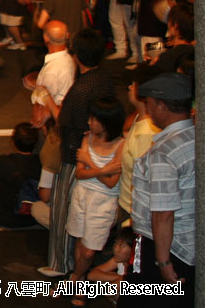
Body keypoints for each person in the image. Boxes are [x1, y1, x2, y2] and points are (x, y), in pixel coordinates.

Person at [36, 29, 114, 278]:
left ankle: (59, 263)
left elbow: (63, 120)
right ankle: (78, 265)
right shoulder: (105, 80)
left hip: (73, 156)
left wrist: (47, 99)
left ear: (76, 55)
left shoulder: (80, 89)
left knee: (63, 212)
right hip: (101, 154)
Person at [122, 73, 195, 308]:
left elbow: (163, 213)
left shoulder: (164, 152)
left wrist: (163, 263)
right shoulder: (193, 136)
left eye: (150, 103)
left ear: (162, 106)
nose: (148, 109)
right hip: (188, 241)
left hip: (167, 247)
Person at [66, 96, 125, 306]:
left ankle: (75, 278)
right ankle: (79, 281)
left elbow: (111, 184)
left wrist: (90, 163)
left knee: (90, 250)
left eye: (93, 119)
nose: (89, 122)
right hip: (81, 194)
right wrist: (103, 170)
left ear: (106, 121)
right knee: (80, 241)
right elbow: (80, 174)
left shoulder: (121, 145)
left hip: (103, 202)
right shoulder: (88, 138)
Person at [0, 123, 41, 228]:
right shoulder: (41, 163)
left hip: (5, 218)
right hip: (32, 219)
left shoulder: (4, 161)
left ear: (13, 141)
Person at [117, 65, 162, 220]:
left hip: (134, 210)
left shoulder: (146, 133)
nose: (129, 87)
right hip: (127, 203)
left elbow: (145, 182)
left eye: (133, 84)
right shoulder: (138, 118)